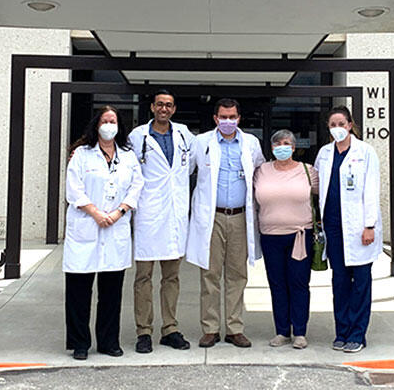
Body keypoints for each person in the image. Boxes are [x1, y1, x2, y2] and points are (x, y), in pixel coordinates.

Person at [63, 105, 144, 361]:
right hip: (87, 224)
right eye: (105, 120)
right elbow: (74, 189)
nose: (109, 124)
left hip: (115, 225)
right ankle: (80, 343)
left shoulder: (128, 156)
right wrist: (96, 213)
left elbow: (137, 186)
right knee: (79, 291)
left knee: (111, 292)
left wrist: (120, 212)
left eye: (114, 120)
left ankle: (109, 342)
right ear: (97, 124)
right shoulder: (81, 154)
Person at [186, 98, 265, 348]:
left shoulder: (251, 143)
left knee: (237, 274)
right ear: (215, 118)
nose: (228, 121)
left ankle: (234, 328)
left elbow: (261, 175)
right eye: (223, 117)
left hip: (241, 216)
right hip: (212, 216)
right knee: (210, 274)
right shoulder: (201, 142)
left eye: (232, 117)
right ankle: (210, 328)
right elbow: (182, 171)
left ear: (239, 118)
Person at [127, 89, 196, 354]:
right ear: (152, 108)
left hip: (175, 214)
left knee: (172, 277)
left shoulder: (183, 134)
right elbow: (130, 169)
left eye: (168, 105)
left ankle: (170, 329)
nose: (163, 109)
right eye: (159, 104)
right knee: (143, 277)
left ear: (174, 109)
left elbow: (188, 166)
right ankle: (144, 331)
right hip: (148, 213)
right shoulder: (138, 136)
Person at [314, 105, 382, 354]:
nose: (337, 129)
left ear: (350, 125)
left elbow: (372, 190)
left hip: (359, 228)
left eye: (341, 124)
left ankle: (357, 334)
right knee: (340, 281)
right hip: (333, 226)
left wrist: (369, 225)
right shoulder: (324, 153)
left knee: (361, 282)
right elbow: (318, 186)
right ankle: (341, 332)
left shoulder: (365, 152)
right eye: (333, 125)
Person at [253, 129, 318, 350]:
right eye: (278, 143)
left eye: (287, 143)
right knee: (277, 285)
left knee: (299, 283)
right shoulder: (261, 171)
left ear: (294, 146)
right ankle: (282, 331)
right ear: (272, 148)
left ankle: (299, 331)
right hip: (271, 236)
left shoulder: (308, 171)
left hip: (300, 235)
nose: (283, 146)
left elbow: (324, 196)